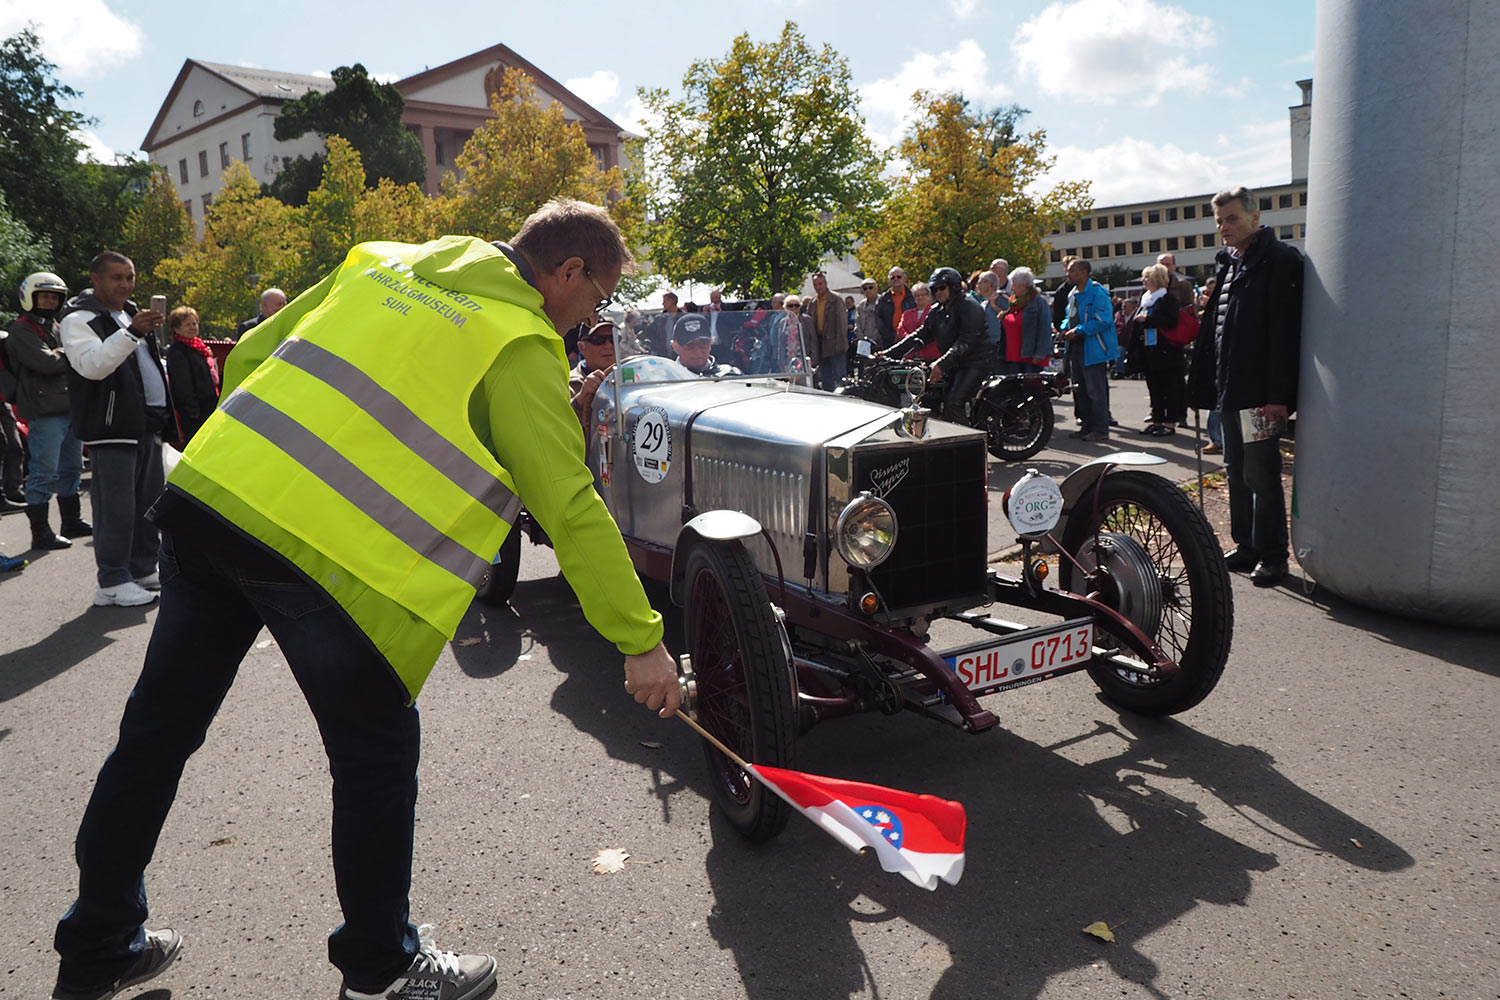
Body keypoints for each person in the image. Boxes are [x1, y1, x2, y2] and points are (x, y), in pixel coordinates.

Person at [48, 199, 681, 1000]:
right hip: (325, 561)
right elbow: (569, 502)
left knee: (155, 735)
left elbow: (253, 361)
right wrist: (640, 640)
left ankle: (99, 941)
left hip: (214, 505)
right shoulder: (517, 343)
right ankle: (380, 971)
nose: (590, 318)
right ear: (567, 272)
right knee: (375, 759)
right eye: (595, 300)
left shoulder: (380, 259)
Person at [1189, 185, 1304, 585]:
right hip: (1229, 391)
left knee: (1261, 474)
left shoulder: (1279, 261)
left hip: (1260, 396)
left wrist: (1278, 397)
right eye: (1219, 220)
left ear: (1256, 217)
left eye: (1232, 218)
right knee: (1235, 470)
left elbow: (1284, 334)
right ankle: (1247, 544)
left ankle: (1273, 555)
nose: (1224, 227)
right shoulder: (1229, 263)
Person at [60, 251, 178, 608]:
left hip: (145, 424)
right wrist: (131, 332)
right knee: (115, 507)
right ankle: (111, 580)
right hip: (111, 427)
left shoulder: (128, 313)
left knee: (147, 504)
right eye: (117, 278)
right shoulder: (79, 319)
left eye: (130, 277)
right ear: (95, 279)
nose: (126, 285)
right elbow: (93, 366)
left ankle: (142, 568)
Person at [4, 272, 91, 547]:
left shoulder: (56, 326)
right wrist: (67, 353)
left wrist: (61, 353)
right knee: (43, 472)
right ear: (30, 297)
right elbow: (45, 362)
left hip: (69, 407)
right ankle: (40, 533)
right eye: (44, 296)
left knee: (72, 468)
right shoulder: (21, 329)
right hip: (44, 410)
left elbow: (66, 357)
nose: (50, 301)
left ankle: (71, 520)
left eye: (55, 297)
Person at [883, 267, 989, 424]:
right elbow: (920, 335)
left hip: (974, 363)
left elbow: (967, 341)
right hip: (953, 364)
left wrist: (941, 363)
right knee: (927, 397)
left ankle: (969, 444)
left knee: (953, 404)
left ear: (954, 286)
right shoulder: (937, 310)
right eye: (934, 289)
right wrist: (886, 354)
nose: (938, 292)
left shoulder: (969, 306)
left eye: (942, 287)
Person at [1059, 258, 1117, 443]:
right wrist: (1063, 327)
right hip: (1076, 347)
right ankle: (1086, 426)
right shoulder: (1073, 294)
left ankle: (1100, 429)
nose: (1068, 274)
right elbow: (1070, 316)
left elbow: (1103, 320)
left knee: (1095, 390)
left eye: (1072, 271)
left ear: (1084, 272)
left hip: (1093, 348)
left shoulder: (1097, 293)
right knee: (1080, 389)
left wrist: (1078, 331)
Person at [1132, 263, 1185, 436]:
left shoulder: (1167, 299)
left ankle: (1170, 424)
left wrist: (1148, 319)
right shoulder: (1146, 298)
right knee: (1154, 389)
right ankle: (1157, 420)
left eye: (1147, 277)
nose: (1144, 281)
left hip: (1166, 351)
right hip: (1149, 351)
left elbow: (1171, 322)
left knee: (1169, 388)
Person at [163, 307, 221, 446]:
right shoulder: (178, 351)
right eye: (187, 325)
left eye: (194, 323)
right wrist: (193, 411)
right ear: (176, 329)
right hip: (194, 413)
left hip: (209, 406)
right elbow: (183, 384)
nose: (192, 327)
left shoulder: (199, 347)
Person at [569, 319, 616, 427]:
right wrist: (580, 400)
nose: (608, 346)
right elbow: (558, 424)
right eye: (598, 340)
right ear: (581, 347)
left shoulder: (630, 379)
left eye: (613, 339)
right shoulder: (568, 383)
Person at [1007, 267, 1053, 373]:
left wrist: (1040, 353)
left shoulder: (1038, 302)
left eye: (1014, 285)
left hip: (1031, 357)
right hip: (1014, 356)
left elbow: (1045, 329)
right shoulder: (1015, 302)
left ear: (1023, 286)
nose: (1012, 289)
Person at [807, 272, 847, 391]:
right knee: (826, 379)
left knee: (840, 378)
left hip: (835, 345)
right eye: (815, 284)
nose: (818, 287)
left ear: (825, 283)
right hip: (820, 345)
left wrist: (840, 345)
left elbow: (842, 324)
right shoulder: (813, 302)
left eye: (820, 284)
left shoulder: (836, 299)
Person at [670, 313, 742, 377]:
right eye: (689, 345)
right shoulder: (666, 379)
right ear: (675, 346)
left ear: (711, 343)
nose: (697, 351)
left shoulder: (730, 374)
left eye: (703, 344)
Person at [975, 271, 1008, 371]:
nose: (977, 285)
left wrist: (994, 306)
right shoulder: (983, 302)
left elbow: (1009, 316)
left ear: (989, 284)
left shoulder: (1001, 298)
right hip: (987, 347)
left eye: (980, 282)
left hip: (999, 346)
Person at [875, 267, 912, 347]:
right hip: (889, 342)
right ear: (888, 280)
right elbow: (879, 320)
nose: (896, 279)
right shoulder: (883, 298)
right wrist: (892, 337)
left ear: (904, 278)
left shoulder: (912, 296)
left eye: (899, 277)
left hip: (909, 339)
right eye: (892, 277)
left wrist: (906, 336)